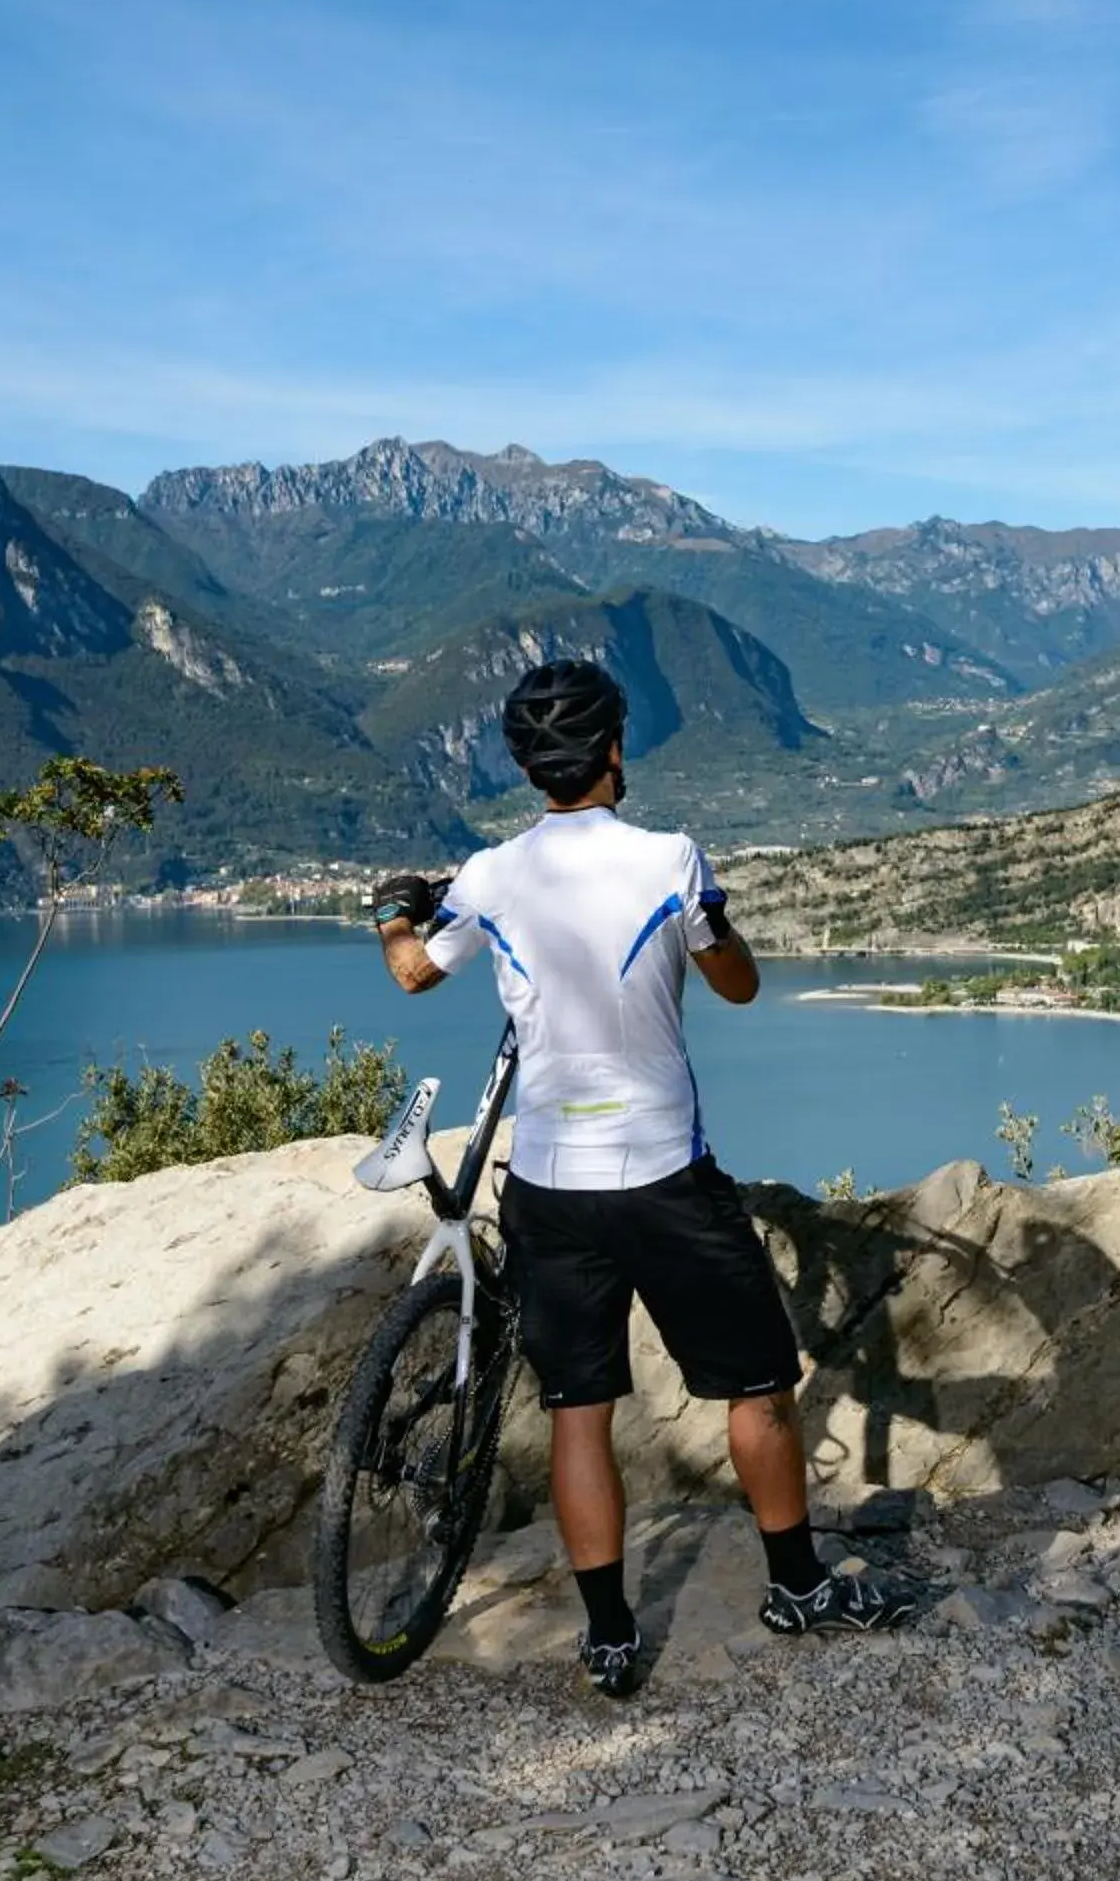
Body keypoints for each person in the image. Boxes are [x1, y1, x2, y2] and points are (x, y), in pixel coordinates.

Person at [364, 658, 913, 1697]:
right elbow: (738, 985)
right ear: (616, 748)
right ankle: (795, 1586)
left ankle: (610, 1633)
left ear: (529, 768)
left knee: (581, 1408)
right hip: (664, 1174)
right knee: (755, 1385)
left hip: (552, 1188)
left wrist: (395, 910)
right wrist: (716, 921)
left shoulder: (489, 876)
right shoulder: (672, 857)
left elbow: (410, 971)